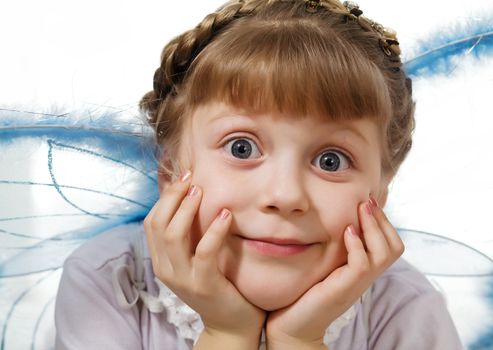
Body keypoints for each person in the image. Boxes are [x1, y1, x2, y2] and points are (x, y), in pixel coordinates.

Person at [54, 0, 463, 348]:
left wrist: (299, 341)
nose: (285, 196)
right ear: (170, 174)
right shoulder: (109, 281)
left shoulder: (407, 310)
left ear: (380, 193)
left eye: (331, 160)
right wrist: (227, 334)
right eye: (241, 148)